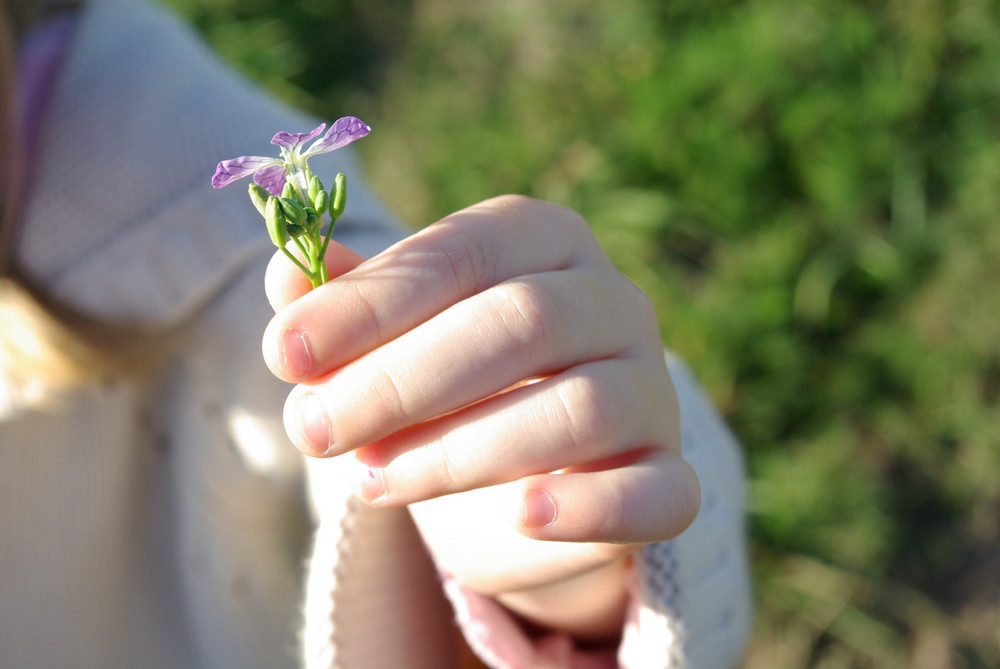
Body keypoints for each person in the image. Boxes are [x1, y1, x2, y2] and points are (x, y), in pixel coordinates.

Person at [0, 0, 751, 666]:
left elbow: (442, 414)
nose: (294, 169)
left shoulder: (198, 227)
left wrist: (556, 551)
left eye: (299, 168)